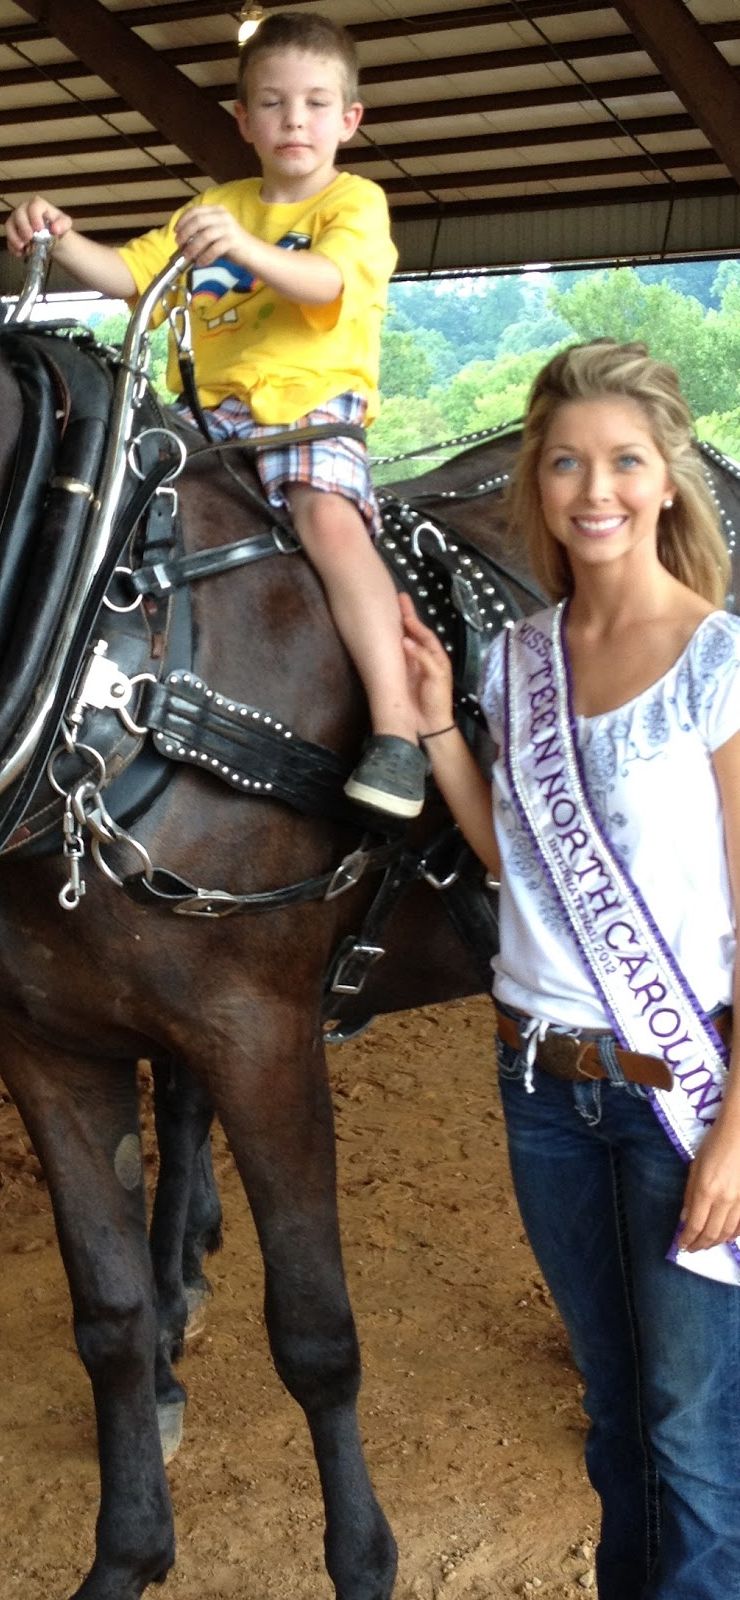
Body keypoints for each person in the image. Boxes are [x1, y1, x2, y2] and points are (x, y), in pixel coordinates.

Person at [401, 338, 740, 1599]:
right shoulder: (516, 660)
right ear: (537, 484)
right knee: (612, 1416)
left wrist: (735, 1134)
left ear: (665, 480)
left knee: (694, 1444)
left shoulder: (720, 660)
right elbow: (518, 862)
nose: (593, 488)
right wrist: (441, 724)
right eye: (565, 463)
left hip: (682, 1097)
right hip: (541, 1090)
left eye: (622, 461)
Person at [4, 12, 426, 819]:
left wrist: (240, 247)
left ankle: (398, 732)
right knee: (106, 522)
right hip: (206, 427)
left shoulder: (353, 202)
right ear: (243, 120)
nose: (293, 120)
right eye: (271, 103)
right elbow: (131, 278)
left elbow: (329, 284)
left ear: (349, 119)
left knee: (329, 521)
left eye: (313, 102)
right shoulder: (217, 204)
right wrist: (59, 238)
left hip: (308, 415)